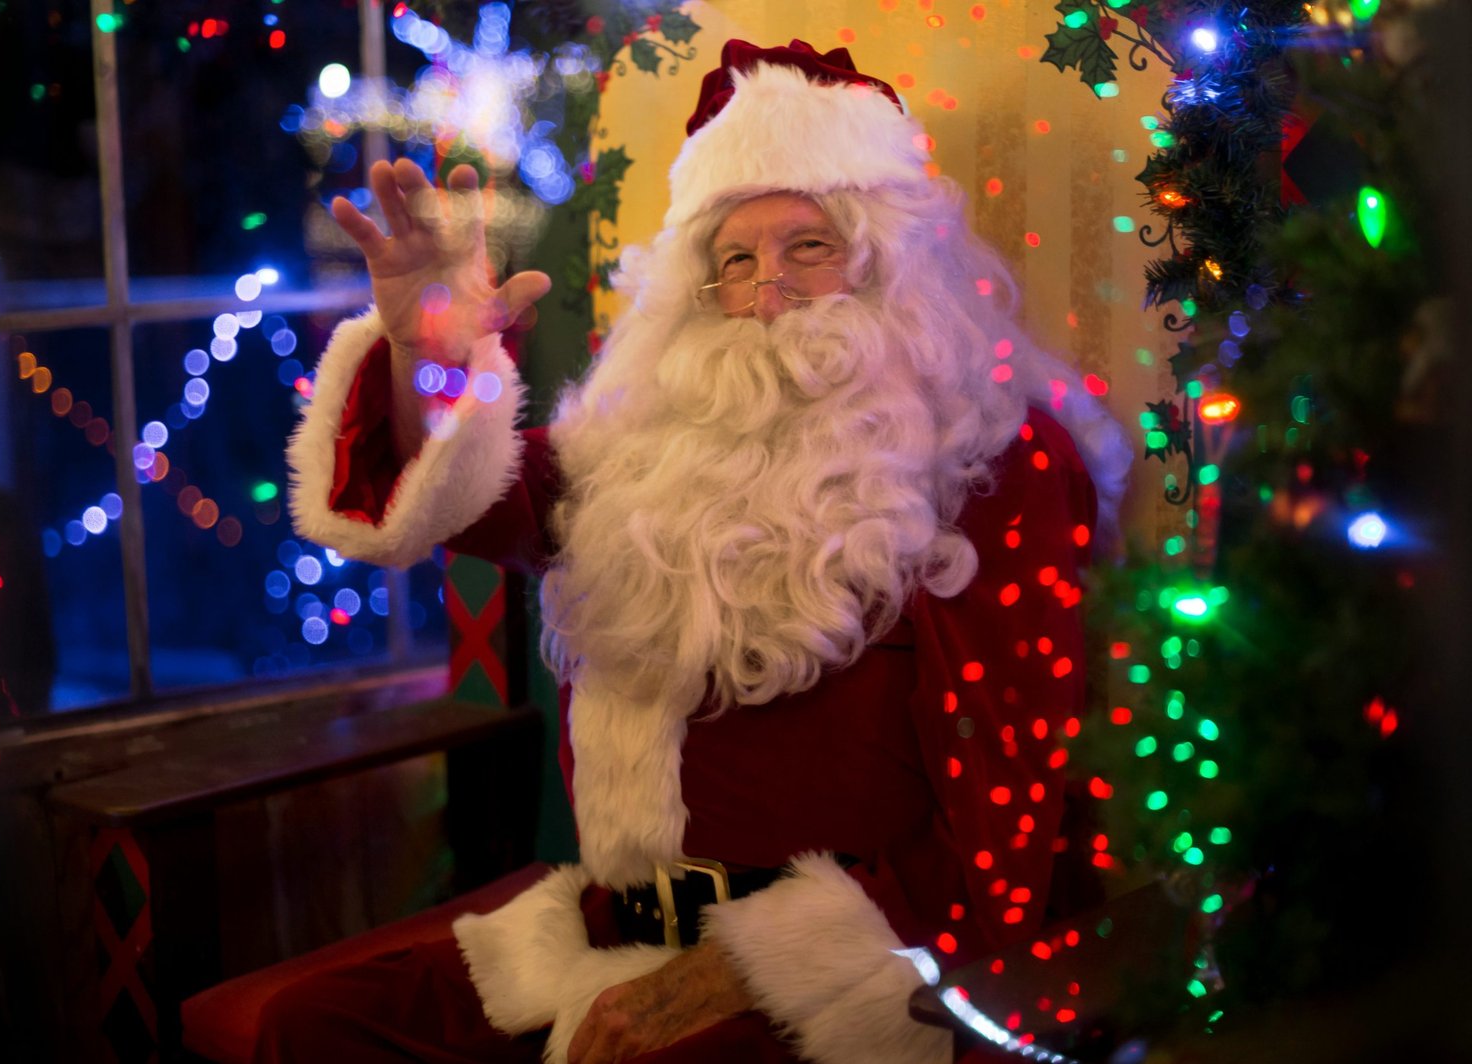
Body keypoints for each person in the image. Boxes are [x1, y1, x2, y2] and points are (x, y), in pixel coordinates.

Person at [264, 38, 1131, 1064]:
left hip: (838, 980)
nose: (767, 293)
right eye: (735, 258)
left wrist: (743, 968)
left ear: (886, 259)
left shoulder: (992, 457)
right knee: (309, 1028)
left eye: (808, 246)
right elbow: (444, 503)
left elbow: (1006, 807)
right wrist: (422, 352)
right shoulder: (636, 446)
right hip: (598, 935)